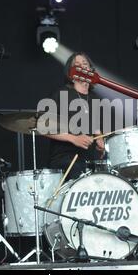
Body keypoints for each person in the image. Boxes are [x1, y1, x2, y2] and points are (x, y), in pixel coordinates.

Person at [45, 52, 105, 180]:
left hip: (88, 161)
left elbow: (93, 124)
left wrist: (99, 139)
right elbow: (42, 127)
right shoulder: (62, 94)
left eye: (85, 64)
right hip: (65, 160)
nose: (82, 67)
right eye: (77, 65)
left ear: (91, 70)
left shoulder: (94, 98)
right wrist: (73, 138)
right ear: (71, 73)